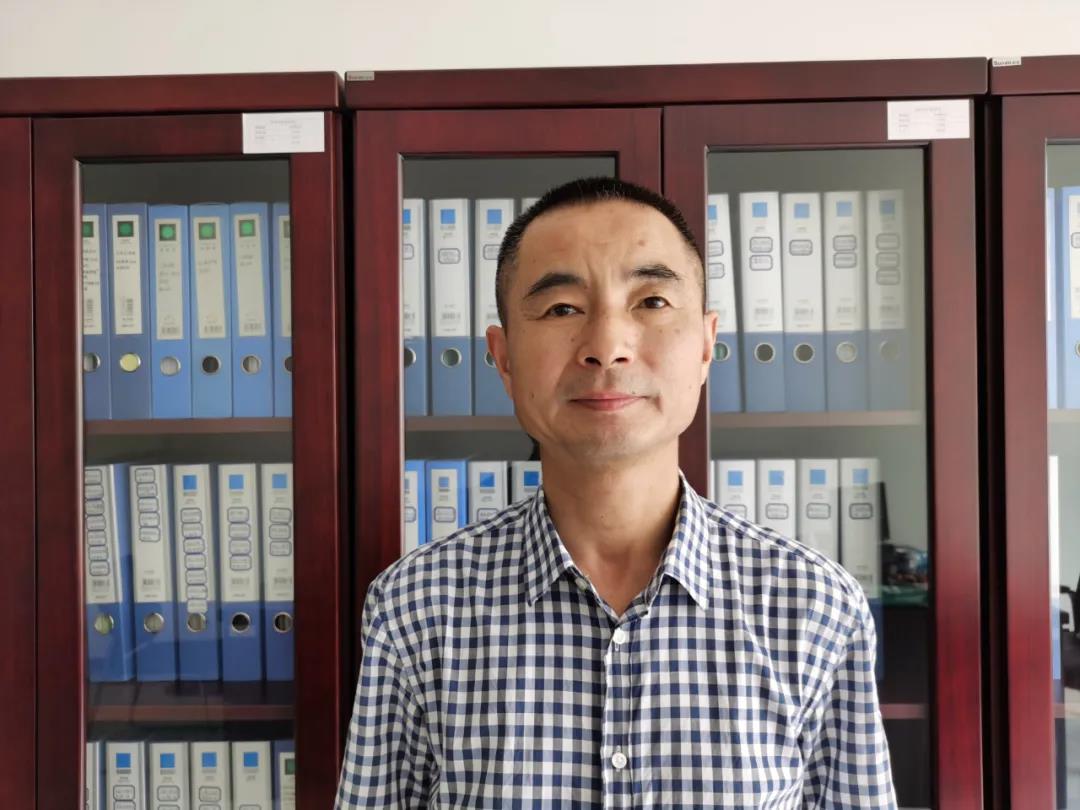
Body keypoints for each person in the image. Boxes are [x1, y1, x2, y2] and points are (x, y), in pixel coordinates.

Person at [336, 176, 897, 807]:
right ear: (503, 357)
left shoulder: (813, 607)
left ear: (707, 344)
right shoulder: (416, 609)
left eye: (651, 301)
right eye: (562, 309)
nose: (607, 347)